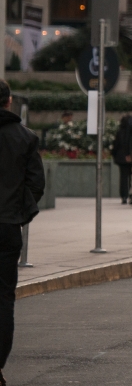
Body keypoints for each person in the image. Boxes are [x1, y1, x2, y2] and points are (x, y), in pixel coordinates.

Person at [0, 79, 46, 386]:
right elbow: (36, 185)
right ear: (9, 101)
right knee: (3, 300)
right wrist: (19, 210)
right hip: (6, 228)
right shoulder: (25, 138)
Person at [111, 112, 132, 204]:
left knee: (123, 177)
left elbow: (116, 145)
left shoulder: (120, 132)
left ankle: (124, 196)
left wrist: (114, 154)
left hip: (121, 157)